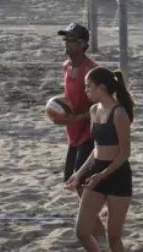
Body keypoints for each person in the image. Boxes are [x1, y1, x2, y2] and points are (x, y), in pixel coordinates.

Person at [66, 66, 135, 252]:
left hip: (117, 175)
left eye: (89, 86)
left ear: (102, 87)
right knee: (82, 232)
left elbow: (125, 153)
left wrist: (103, 175)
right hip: (96, 172)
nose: (86, 90)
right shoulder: (93, 110)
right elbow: (96, 148)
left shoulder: (119, 113)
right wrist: (78, 174)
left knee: (114, 238)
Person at [57, 23, 103, 241]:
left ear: (83, 43)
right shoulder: (67, 67)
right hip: (73, 134)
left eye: (72, 39)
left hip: (90, 134)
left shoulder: (91, 70)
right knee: (72, 181)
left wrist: (78, 118)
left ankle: (100, 237)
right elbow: (69, 100)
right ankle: (95, 234)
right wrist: (59, 114)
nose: (67, 43)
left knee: (81, 184)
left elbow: (102, 105)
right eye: (65, 39)